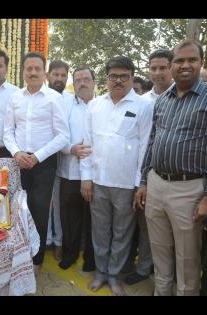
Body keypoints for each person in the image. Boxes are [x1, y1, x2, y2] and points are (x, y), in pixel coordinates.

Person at [135, 39, 207, 296]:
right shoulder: (162, 101)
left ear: (200, 63)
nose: (185, 65)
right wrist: (143, 182)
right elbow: (152, 143)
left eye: (191, 60)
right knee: (159, 251)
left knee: (187, 259)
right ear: (172, 65)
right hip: (157, 184)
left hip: (190, 189)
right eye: (179, 60)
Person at [80, 56, 153, 296]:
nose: (118, 81)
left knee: (122, 232)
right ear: (107, 78)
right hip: (98, 182)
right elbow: (87, 144)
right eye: (114, 76)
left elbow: (144, 148)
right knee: (99, 230)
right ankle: (101, 271)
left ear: (132, 77)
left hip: (125, 184)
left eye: (124, 76)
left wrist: (138, 184)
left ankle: (114, 275)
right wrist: (86, 178)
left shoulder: (143, 106)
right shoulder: (95, 105)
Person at [3, 52, 70, 276]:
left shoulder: (54, 98)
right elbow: (7, 132)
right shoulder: (15, 97)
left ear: (44, 73)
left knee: (39, 212)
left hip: (44, 163)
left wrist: (37, 156)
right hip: (18, 162)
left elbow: (63, 136)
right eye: (28, 68)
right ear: (23, 72)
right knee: (16, 211)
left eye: (37, 69)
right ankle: (16, 255)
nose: (32, 72)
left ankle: (36, 259)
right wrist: (17, 152)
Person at [124, 49, 174, 285]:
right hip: (143, 174)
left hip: (177, 176)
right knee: (143, 223)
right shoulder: (141, 102)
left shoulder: (182, 97)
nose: (158, 73)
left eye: (163, 67)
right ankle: (144, 267)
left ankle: (166, 273)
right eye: (153, 68)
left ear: (171, 67)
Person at [57, 66, 95, 271]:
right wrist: (70, 148)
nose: (82, 83)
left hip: (96, 175)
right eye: (78, 79)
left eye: (86, 79)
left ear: (94, 81)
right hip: (70, 172)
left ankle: (91, 258)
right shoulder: (65, 104)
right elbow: (56, 133)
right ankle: (70, 254)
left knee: (93, 219)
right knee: (69, 218)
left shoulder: (102, 105)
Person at [45, 60, 72, 262]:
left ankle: (59, 242)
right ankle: (44, 241)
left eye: (63, 76)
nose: (59, 79)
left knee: (57, 203)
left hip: (67, 160)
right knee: (41, 201)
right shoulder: (40, 97)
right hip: (42, 159)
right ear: (48, 76)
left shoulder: (71, 100)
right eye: (56, 75)